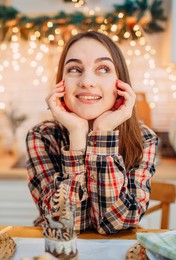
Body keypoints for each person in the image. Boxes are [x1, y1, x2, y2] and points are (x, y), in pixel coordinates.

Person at [25, 31, 158, 235]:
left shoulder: (144, 138)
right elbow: (65, 225)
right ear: (61, 83)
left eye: (103, 69)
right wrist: (77, 135)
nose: (87, 81)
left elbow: (114, 224)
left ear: (120, 83)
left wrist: (103, 133)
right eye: (75, 69)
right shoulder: (42, 137)